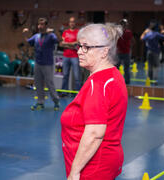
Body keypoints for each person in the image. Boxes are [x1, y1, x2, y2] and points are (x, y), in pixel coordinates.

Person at [61, 23, 127, 180]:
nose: (79, 51)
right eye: (79, 45)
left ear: (104, 51)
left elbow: (95, 134)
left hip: (94, 167)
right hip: (106, 160)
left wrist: (75, 172)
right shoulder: (113, 74)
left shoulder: (97, 83)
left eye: (86, 47)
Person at [23, 18, 60, 111]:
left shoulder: (51, 36)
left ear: (46, 26)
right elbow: (28, 42)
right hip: (38, 63)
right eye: (39, 25)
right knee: (38, 83)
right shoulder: (36, 36)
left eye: (42, 24)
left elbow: (59, 40)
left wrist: (54, 31)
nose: (40, 26)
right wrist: (24, 34)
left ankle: (56, 102)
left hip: (47, 64)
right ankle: (40, 102)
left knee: (49, 83)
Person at [60, 17, 81, 91]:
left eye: (73, 22)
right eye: (70, 22)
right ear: (69, 23)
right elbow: (61, 44)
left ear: (75, 23)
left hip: (75, 56)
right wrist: (72, 44)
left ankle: (78, 93)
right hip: (66, 56)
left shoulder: (78, 32)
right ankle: (63, 92)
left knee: (76, 76)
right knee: (65, 75)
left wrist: (67, 44)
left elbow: (77, 43)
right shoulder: (65, 32)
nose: (72, 23)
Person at [117, 19, 133, 84]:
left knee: (117, 68)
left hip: (121, 52)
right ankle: (127, 82)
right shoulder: (128, 32)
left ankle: (117, 81)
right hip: (124, 52)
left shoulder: (117, 32)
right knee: (126, 68)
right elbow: (133, 41)